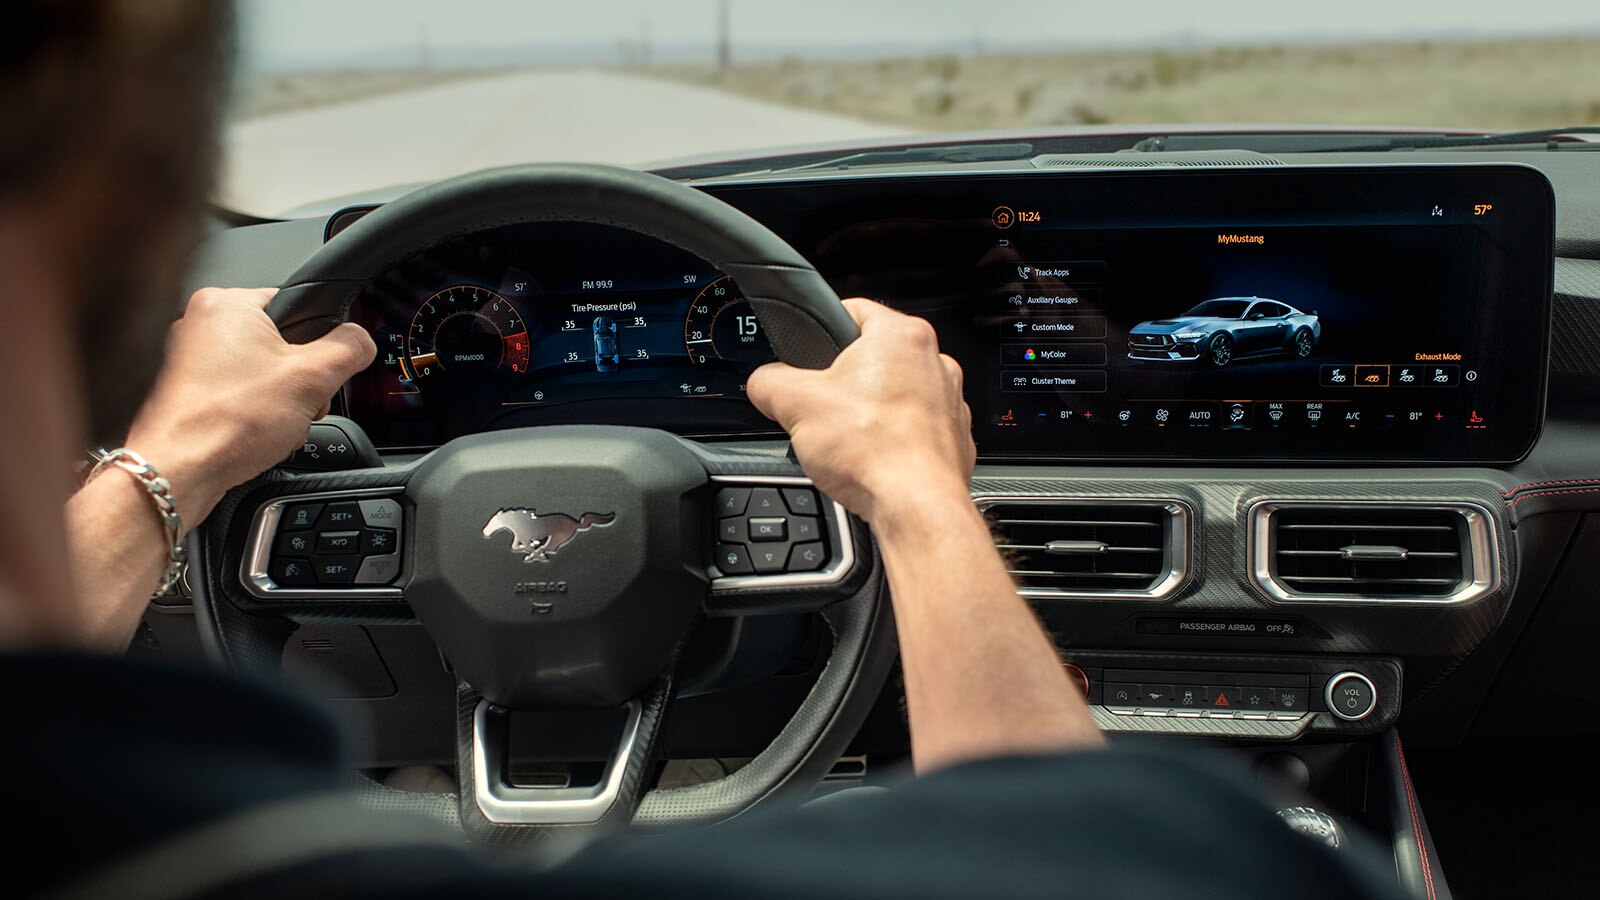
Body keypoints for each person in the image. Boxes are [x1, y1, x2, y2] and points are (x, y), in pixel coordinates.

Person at [0, 3, 1404, 898]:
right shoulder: (1183, 861)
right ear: (139, 219)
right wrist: (917, 495)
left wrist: (171, 464)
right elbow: (1095, 853)